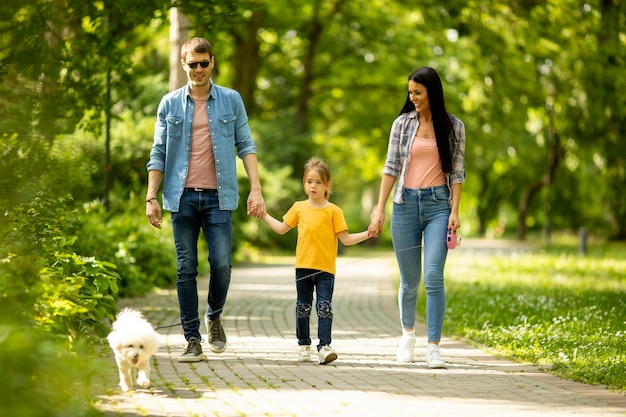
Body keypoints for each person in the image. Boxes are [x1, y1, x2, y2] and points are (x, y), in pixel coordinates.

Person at [146, 37, 266, 362]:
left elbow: (247, 145)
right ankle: (191, 340)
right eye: (192, 64)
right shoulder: (169, 104)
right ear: (183, 64)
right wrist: (150, 197)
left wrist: (256, 188)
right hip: (181, 197)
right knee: (186, 268)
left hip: (219, 197)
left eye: (203, 63)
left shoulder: (231, 100)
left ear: (212, 62)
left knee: (222, 265)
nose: (198, 69)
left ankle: (214, 316)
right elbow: (158, 152)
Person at [367, 66, 465, 369]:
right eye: (410, 93)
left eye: (418, 93)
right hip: (405, 205)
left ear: (432, 92)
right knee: (409, 282)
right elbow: (390, 167)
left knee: (434, 276)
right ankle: (407, 336)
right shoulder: (401, 124)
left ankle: (433, 346)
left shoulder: (453, 126)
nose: (413, 98)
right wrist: (379, 207)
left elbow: (458, 171)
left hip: (438, 206)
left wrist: (455, 212)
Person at [261, 157, 372, 364]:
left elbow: (346, 240)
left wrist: (368, 233)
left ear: (327, 185)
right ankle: (304, 345)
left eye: (318, 182)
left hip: (325, 271)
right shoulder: (298, 208)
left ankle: (324, 347)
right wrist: (263, 214)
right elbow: (281, 229)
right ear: (304, 183)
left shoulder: (334, 211)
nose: (313, 186)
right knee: (302, 307)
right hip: (303, 268)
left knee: (324, 307)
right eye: (309, 181)